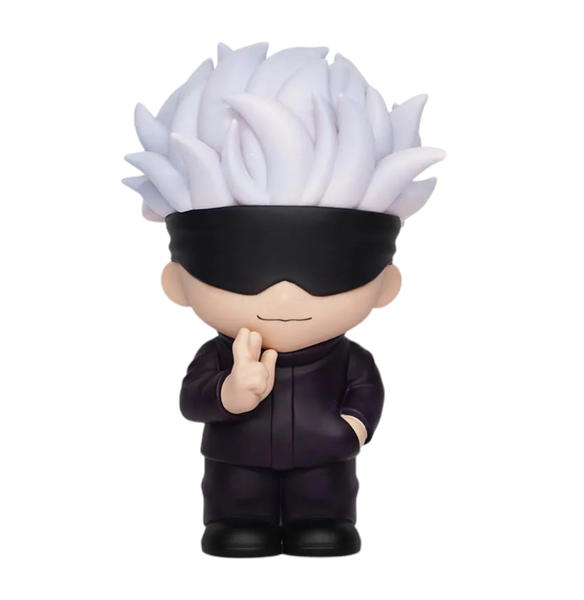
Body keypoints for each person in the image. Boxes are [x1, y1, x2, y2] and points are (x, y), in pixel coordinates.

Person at [123, 42, 445, 557]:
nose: (285, 294)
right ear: (177, 283)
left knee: (323, 509)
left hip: (325, 461)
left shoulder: (349, 360)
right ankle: (236, 522)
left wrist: (352, 428)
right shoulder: (220, 357)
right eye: (238, 271)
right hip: (236, 461)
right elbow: (191, 400)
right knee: (236, 505)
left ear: (385, 285)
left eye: (331, 271)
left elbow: (367, 391)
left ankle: (322, 521)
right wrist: (228, 394)